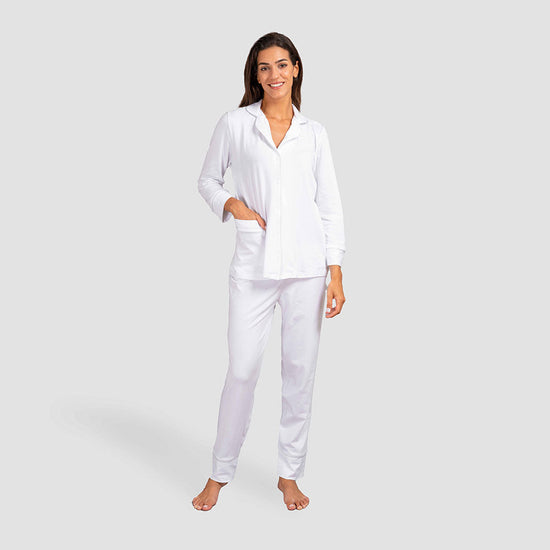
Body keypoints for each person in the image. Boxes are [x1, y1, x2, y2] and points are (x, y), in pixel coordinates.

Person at [192, 32, 346, 512]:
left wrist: (335, 269)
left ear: (295, 69)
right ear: (255, 75)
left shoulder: (314, 133)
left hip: (306, 269)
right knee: (241, 370)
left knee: (300, 372)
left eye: (282, 65)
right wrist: (232, 204)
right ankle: (220, 472)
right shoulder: (236, 124)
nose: (274, 74)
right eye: (264, 67)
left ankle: (288, 474)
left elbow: (329, 205)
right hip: (253, 268)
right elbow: (207, 179)